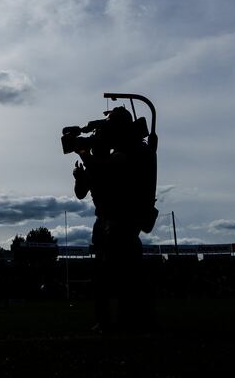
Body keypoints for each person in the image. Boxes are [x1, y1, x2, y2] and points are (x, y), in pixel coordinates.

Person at [73, 106, 149, 334]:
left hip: (121, 221)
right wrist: (82, 173)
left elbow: (108, 170)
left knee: (123, 277)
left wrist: (85, 154)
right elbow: (82, 191)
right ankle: (110, 321)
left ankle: (128, 322)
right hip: (106, 221)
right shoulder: (111, 156)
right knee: (105, 277)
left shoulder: (130, 153)